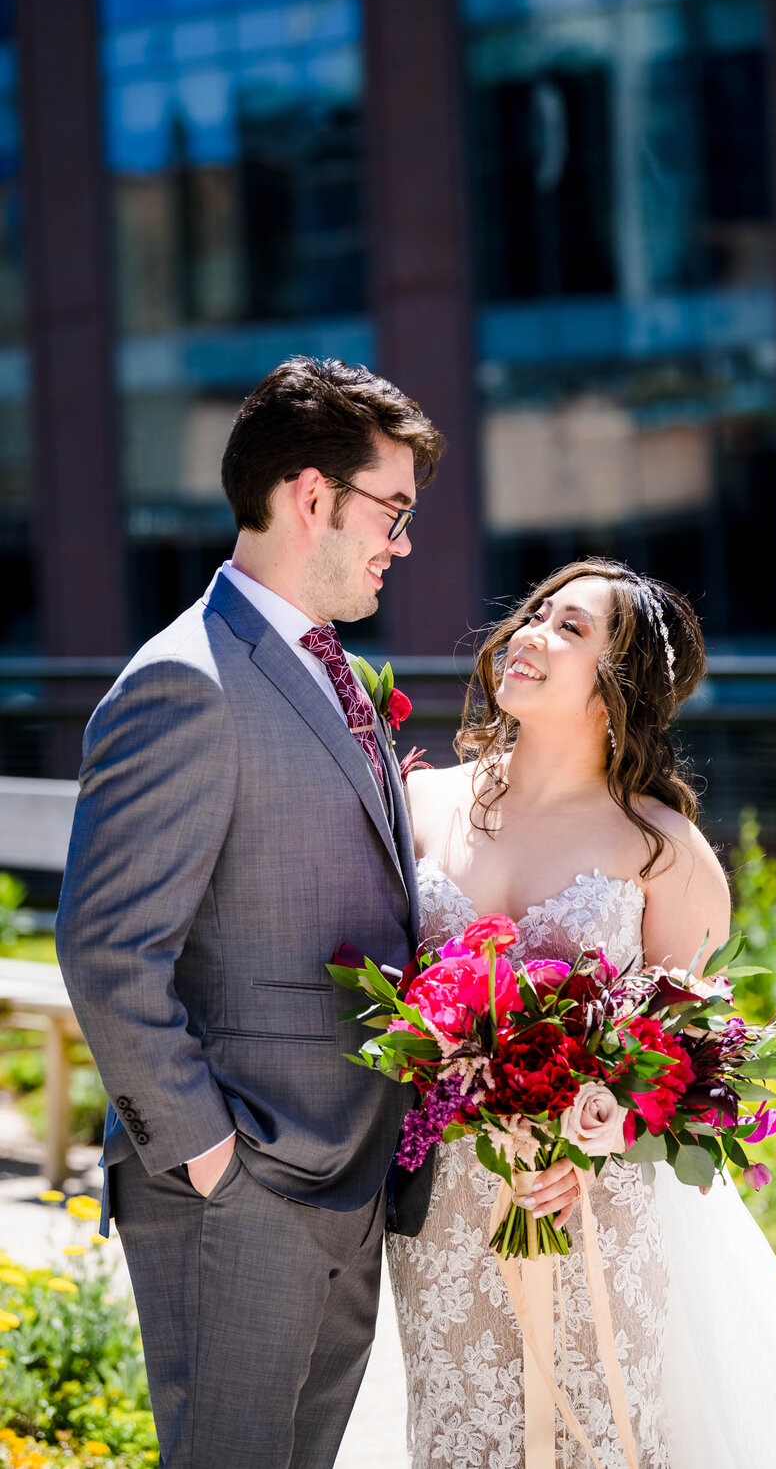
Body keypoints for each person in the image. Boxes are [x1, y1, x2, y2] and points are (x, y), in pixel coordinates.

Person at [387, 556, 776, 1469]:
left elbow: (689, 1057)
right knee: (459, 1427)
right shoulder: (419, 803)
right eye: (536, 614)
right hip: (443, 1203)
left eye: (571, 628)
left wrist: (598, 1144)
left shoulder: (661, 849)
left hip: (594, 1206)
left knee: (608, 1432)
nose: (528, 636)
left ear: (618, 686)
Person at [56, 356, 444, 1469]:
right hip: (244, 1191)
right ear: (312, 496)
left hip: (349, 1173)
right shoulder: (184, 680)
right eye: (394, 510)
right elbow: (107, 949)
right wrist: (215, 1162)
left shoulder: (330, 671)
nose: (402, 542)